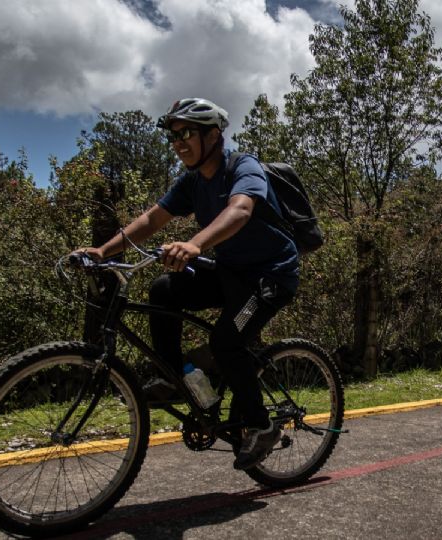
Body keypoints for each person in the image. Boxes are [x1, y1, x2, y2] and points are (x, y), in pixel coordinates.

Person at [77, 98, 299, 470]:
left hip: (270, 276)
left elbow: (241, 209)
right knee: (164, 289)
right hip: (231, 272)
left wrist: (195, 244)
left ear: (213, 135)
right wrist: (102, 252)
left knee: (227, 342)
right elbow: (151, 220)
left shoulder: (243, 167)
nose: (178, 142)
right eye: (173, 136)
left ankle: (261, 425)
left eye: (187, 133)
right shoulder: (192, 183)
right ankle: (178, 379)